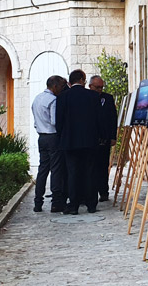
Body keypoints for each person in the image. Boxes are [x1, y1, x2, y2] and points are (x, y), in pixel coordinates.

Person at [55, 69, 101, 214]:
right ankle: (91, 204)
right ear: (82, 80)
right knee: (90, 171)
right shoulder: (93, 96)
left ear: (70, 81)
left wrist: (61, 137)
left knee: (72, 173)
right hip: (89, 140)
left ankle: (73, 205)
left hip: (69, 141)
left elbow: (59, 121)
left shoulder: (63, 97)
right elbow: (98, 120)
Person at [31, 75, 68, 212]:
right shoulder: (53, 100)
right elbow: (54, 121)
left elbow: (35, 121)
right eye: (61, 87)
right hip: (52, 136)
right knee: (56, 169)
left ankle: (38, 201)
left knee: (43, 169)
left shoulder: (37, 98)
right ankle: (56, 202)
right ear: (55, 86)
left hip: (41, 136)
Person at [89, 75, 117, 202]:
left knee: (103, 165)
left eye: (101, 87)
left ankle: (103, 192)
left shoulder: (108, 98)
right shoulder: (86, 98)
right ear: (90, 86)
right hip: (91, 139)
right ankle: (91, 192)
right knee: (91, 167)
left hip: (104, 138)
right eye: (97, 87)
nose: (100, 90)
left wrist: (112, 136)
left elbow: (112, 118)